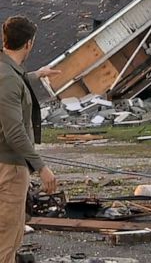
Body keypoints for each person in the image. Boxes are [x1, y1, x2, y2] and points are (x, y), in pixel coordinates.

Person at [0, 16, 59, 263]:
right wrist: (42, 167)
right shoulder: (9, 78)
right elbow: (14, 132)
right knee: (7, 237)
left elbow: (12, 85)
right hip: (10, 166)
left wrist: (36, 75)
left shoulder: (7, 72)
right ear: (29, 44)